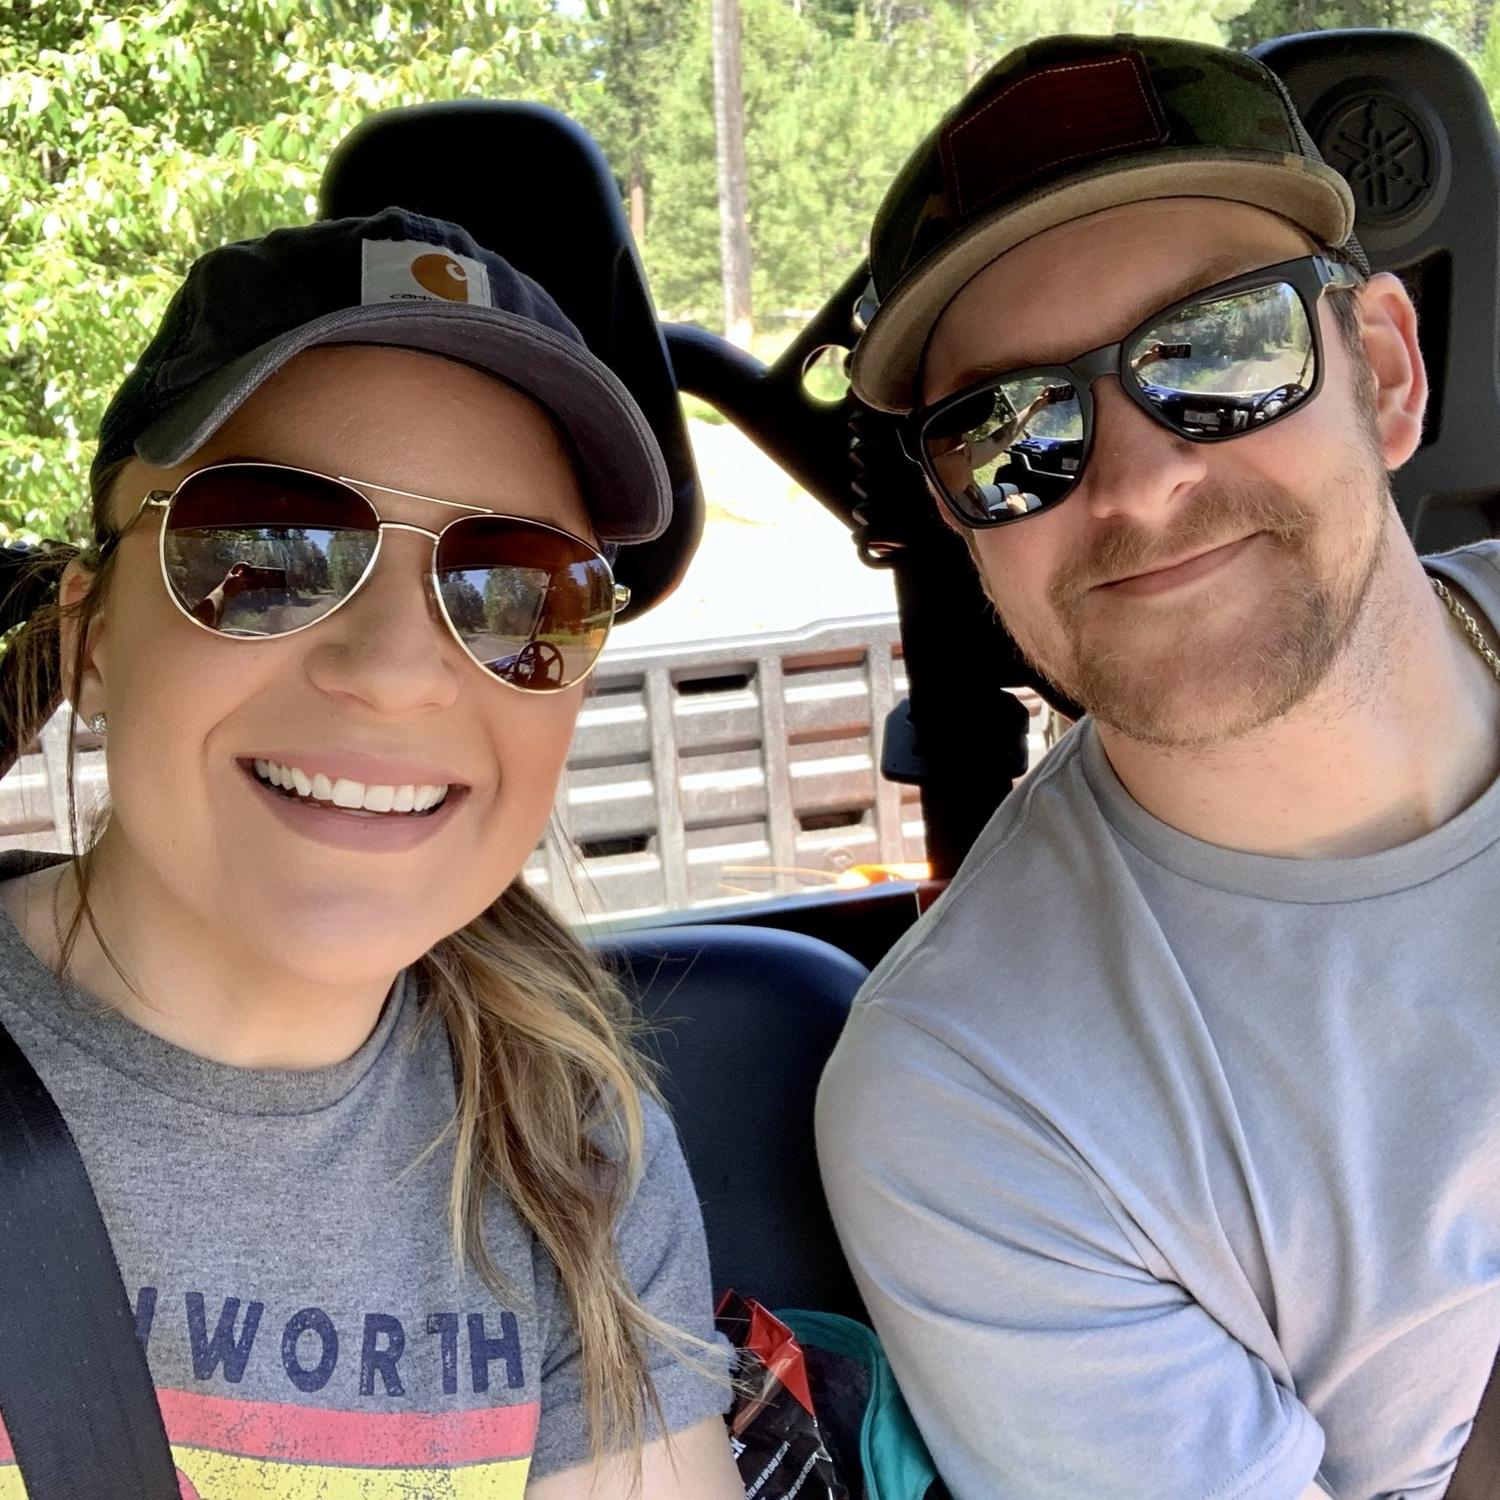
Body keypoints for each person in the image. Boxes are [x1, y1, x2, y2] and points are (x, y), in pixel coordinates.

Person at [816, 33, 1500, 1500]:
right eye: (1014, 433)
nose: (1135, 478)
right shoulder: (977, 1091)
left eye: (1220, 350)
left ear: (1381, 370)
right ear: (967, 528)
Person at [0, 208, 744, 1499]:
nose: (397, 675)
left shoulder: (579, 1160)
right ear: (95, 637)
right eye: (265, 549)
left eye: (518, 591)